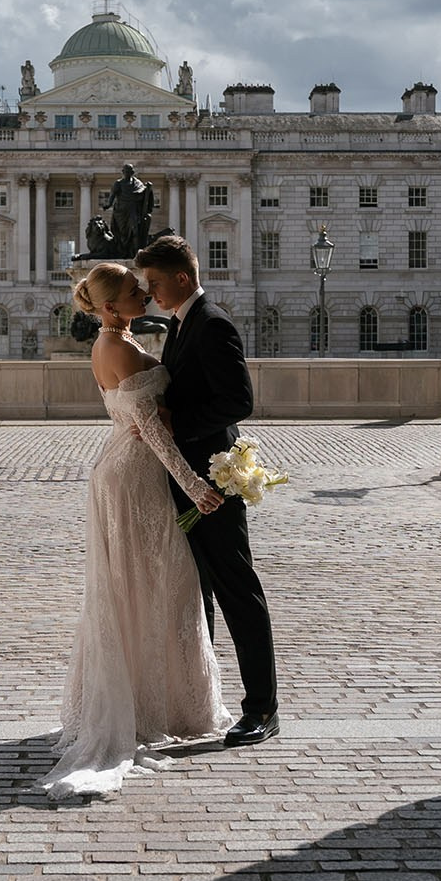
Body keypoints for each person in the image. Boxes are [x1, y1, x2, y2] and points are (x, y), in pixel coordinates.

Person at [38, 262, 234, 798]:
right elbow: (150, 428)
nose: (143, 292)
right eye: (132, 290)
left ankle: (156, 700)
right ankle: (155, 707)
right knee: (164, 585)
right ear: (108, 307)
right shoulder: (119, 348)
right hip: (137, 477)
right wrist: (195, 485)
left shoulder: (112, 341)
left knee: (139, 587)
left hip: (122, 471)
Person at [132, 233, 279, 746]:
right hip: (189, 481)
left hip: (214, 480)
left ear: (182, 277)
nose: (149, 293)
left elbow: (238, 401)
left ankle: (262, 708)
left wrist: (176, 423)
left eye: (153, 283)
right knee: (199, 593)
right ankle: (208, 699)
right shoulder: (182, 322)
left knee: (238, 590)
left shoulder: (212, 323)